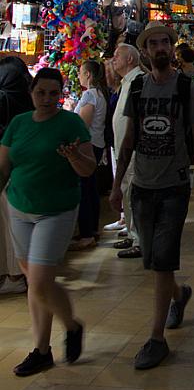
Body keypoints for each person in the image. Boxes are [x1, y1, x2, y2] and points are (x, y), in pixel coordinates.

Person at [110, 22, 194, 370]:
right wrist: (117, 184)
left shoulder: (186, 88)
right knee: (153, 260)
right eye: (153, 44)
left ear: (172, 46)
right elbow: (128, 139)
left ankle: (156, 339)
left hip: (174, 186)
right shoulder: (138, 88)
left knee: (162, 262)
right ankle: (179, 295)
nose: (160, 48)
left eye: (165, 42)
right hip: (142, 186)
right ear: (146, 50)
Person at [0, 67, 96, 375]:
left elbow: (88, 169)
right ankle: (41, 350)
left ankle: (71, 325)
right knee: (35, 283)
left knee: (40, 282)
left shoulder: (70, 123)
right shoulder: (18, 123)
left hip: (56, 210)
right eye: (41, 93)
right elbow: (4, 166)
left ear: (61, 94)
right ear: (31, 93)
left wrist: (73, 156)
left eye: (53, 93)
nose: (47, 99)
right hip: (19, 207)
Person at [0, 56, 33, 293]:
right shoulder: (27, 102)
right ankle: (17, 274)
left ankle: (14, 274)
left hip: (8, 171)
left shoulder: (5, 100)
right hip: (23, 173)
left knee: (8, 223)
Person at [69, 58, 109, 250]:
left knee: (85, 189)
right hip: (96, 143)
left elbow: (83, 124)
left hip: (89, 145)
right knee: (90, 188)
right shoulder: (98, 93)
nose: (78, 76)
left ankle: (87, 233)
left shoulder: (90, 95)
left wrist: (70, 112)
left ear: (88, 74)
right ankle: (91, 230)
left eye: (80, 72)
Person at [109, 42, 143, 258]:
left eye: (117, 55)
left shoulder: (138, 81)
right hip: (123, 149)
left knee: (132, 191)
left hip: (133, 151)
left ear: (130, 59)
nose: (113, 59)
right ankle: (132, 233)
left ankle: (139, 238)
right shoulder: (127, 82)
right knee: (127, 190)